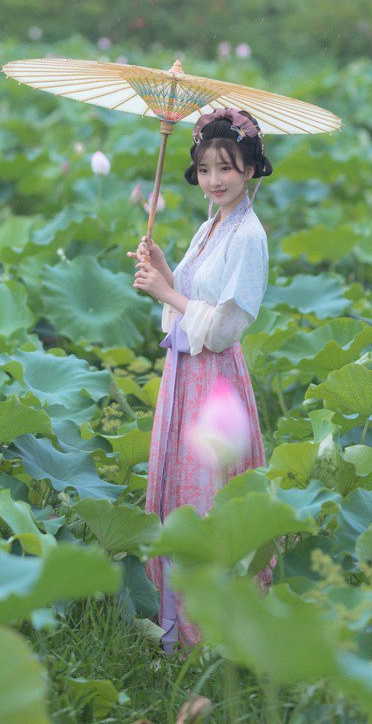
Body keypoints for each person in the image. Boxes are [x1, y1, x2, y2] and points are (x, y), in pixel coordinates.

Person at [128, 106, 275, 653]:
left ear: (251, 168)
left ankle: (209, 634)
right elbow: (187, 298)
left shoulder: (249, 237)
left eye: (227, 168)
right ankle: (173, 630)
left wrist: (164, 293)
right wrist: (163, 267)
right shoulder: (210, 225)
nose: (214, 180)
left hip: (213, 379)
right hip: (182, 374)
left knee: (206, 496)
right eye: (207, 168)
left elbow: (221, 326)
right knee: (177, 495)